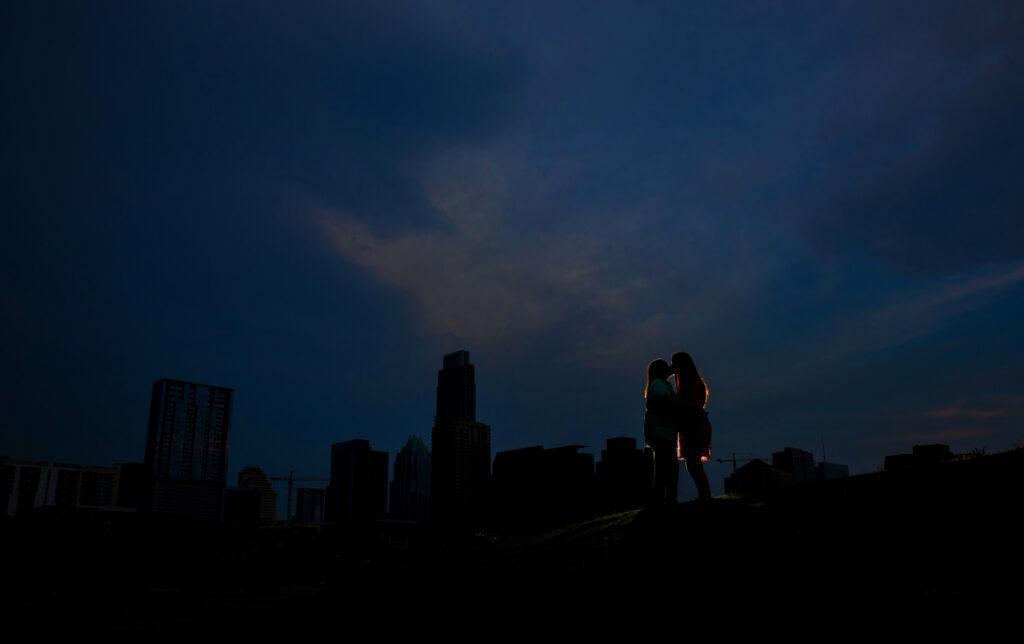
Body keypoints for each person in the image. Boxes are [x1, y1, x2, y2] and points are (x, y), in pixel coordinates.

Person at [670, 351, 712, 501]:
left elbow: (694, 406)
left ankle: (705, 496)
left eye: (676, 364)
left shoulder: (693, 382)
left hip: (695, 426)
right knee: (692, 463)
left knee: (693, 463)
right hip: (691, 426)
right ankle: (704, 496)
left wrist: (675, 401)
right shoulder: (689, 381)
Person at [644, 359, 681, 507]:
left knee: (664, 469)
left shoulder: (659, 384)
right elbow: (667, 399)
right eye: (666, 366)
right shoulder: (658, 385)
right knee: (666, 470)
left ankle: (662, 502)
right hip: (662, 433)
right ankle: (665, 502)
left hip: (664, 433)